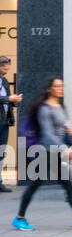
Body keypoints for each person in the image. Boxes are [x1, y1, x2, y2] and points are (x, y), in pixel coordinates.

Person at [13, 77, 72, 230]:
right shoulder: (44, 109)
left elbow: (63, 129)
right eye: (57, 86)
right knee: (34, 186)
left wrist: (71, 140)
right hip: (45, 152)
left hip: (56, 153)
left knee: (67, 185)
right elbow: (47, 134)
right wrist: (65, 148)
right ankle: (19, 218)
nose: (60, 89)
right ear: (50, 89)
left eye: (62, 86)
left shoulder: (60, 106)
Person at [0, 55, 19, 192]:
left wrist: (14, 101)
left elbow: (7, 99)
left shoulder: (5, 81)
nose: (7, 67)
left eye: (8, 65)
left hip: (4, 121)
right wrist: (8, 98)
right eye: (5, 65)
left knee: (1, 152)